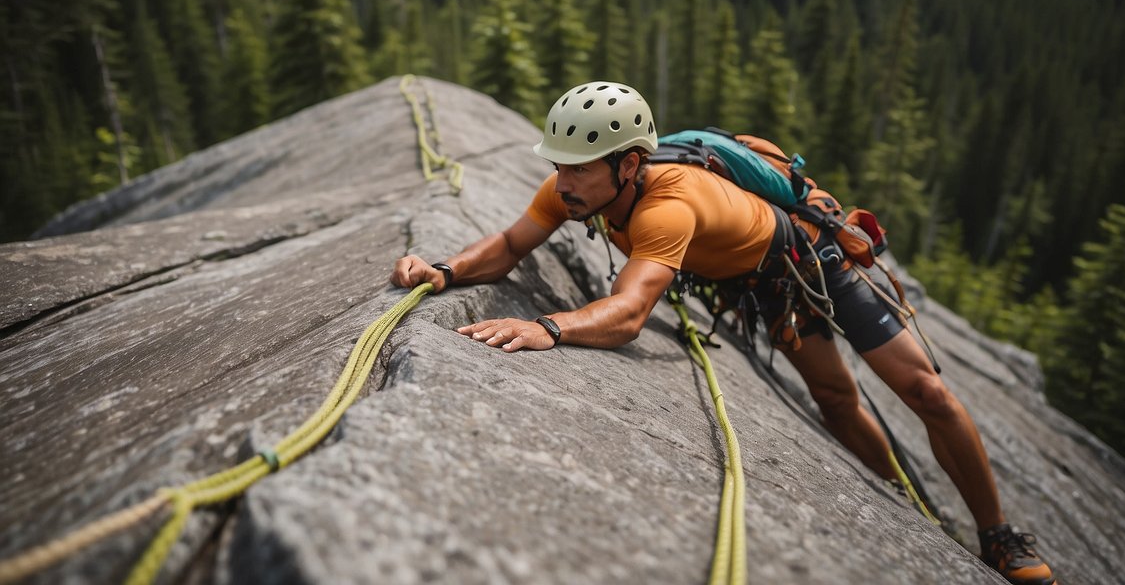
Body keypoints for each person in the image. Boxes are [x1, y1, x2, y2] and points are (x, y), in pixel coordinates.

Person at [390, 80, 1056, 585]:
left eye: (577, 168)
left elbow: (627, 314)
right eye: (559, 165)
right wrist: (442, 270)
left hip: (807, 259)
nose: (561, 182)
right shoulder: (573, 187)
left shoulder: (667, 206)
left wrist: (548, 328)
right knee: (834, 401)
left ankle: (998, 536)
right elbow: (509, 245)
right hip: (759, 283)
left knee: (925, 391)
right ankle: (904, 505)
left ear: (628, 165)